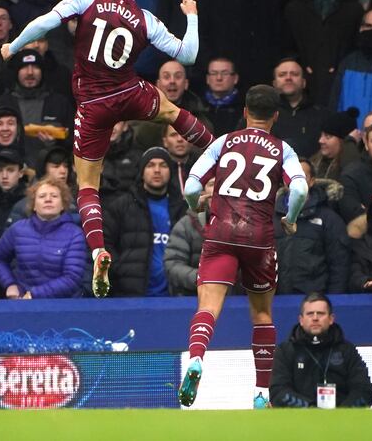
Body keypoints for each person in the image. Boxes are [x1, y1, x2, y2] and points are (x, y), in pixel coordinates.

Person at [1, 0, 211, 298]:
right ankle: (221, 153)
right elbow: (187, 55)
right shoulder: (146, 19)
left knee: (86, 183)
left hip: (93, 105)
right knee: (174, 112)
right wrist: (192, 17)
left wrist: (15, 45)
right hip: (129, 93)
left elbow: (45, 22)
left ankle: (98, 249)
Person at [177, 85, 309, 409]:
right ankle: (261, 392)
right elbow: (301, 189)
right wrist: (290, 218)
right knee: (262, 314)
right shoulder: (283, 150)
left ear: (245, 112)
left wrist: (196, 206)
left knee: (208, 307)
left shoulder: (224, 142)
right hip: (259, 239)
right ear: (276, 116)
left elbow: (192, 185)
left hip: (221, 233)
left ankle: (196, 359)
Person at [102, 146, 187, 297]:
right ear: (141, 172)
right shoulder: (122, 206)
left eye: (163, 165)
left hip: (174, 296)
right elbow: (104, 244)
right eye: (150, 165)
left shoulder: (182, 209)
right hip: (131, 295)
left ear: (170, 172)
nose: (157, 170)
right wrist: (120, 270)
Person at [270, 292, 372, 408]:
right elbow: (278, 392)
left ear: (331, 319)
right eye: (310, 314)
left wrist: (342, 414)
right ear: (301, 320)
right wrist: (311, 410)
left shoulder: (347, 350)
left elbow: (364, 390)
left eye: (320, 314)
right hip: (299, 420)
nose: (315, 318)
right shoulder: (285, 351)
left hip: (342, 421)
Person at [0, 177, 87, 299]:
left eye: (54, 196)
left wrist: (35, 294)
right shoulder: (17, 229)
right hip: (23, 303)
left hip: (64, 305)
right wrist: (10, 284)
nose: (48, 199)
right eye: (42, 196)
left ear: (63, 205)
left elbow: (72, 277)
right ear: (33, 205)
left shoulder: (74, 234)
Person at [274, 158, 350, 294]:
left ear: (311, 181)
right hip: (274, 301)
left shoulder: (329, 219)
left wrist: (332, 302)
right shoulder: (268, 217)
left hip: (314, 305)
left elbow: (339, 266)